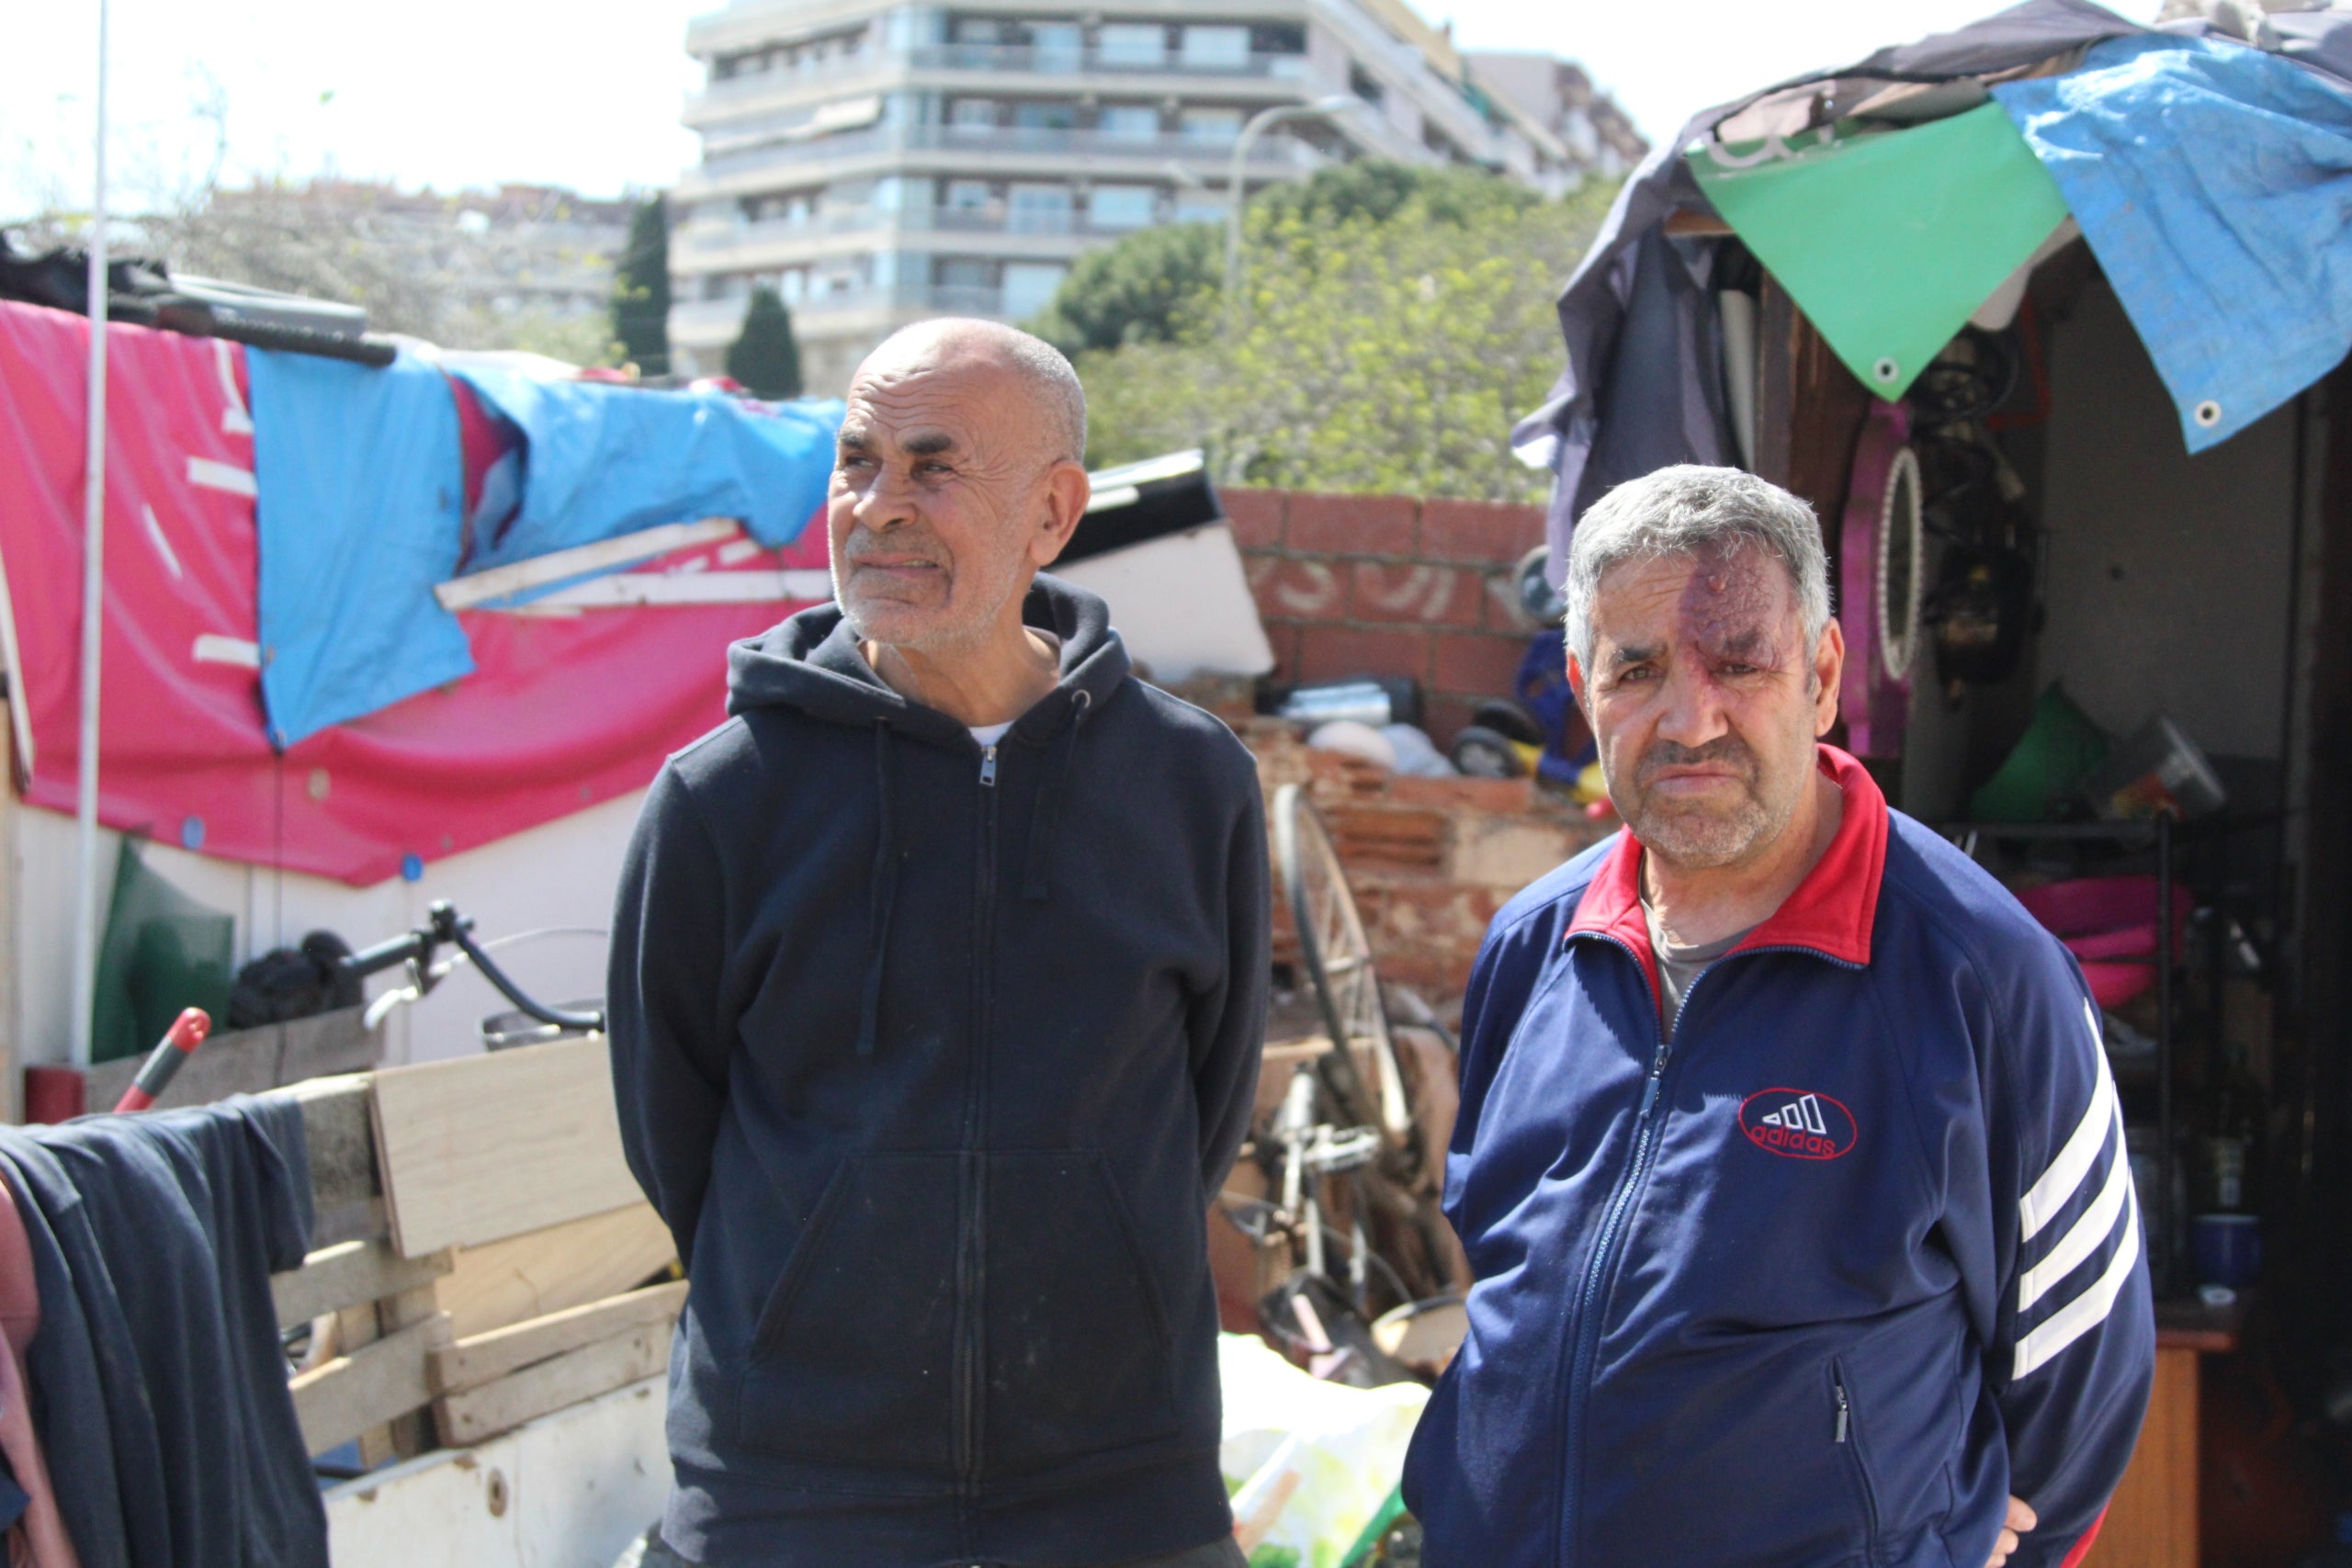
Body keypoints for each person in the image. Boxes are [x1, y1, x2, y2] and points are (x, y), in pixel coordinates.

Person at [1402, 466, 2154, 1568]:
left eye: (1738, 663)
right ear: (1579, 686)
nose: (1689, 718)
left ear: (1823, 675)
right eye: (1637, 669)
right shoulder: (1534, 946)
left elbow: (2078, 1378)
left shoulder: (1979, 974)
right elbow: (1505, 1271)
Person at [607, 320, 1269, 1568]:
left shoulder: (1190, 785)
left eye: (932, 466)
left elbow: (1206, 1103)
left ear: (1053, 513)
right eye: (856, 462)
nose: (878, 507)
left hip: (1121, 1490)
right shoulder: (723, 798)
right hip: (792, 1493)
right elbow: (670, 1129)